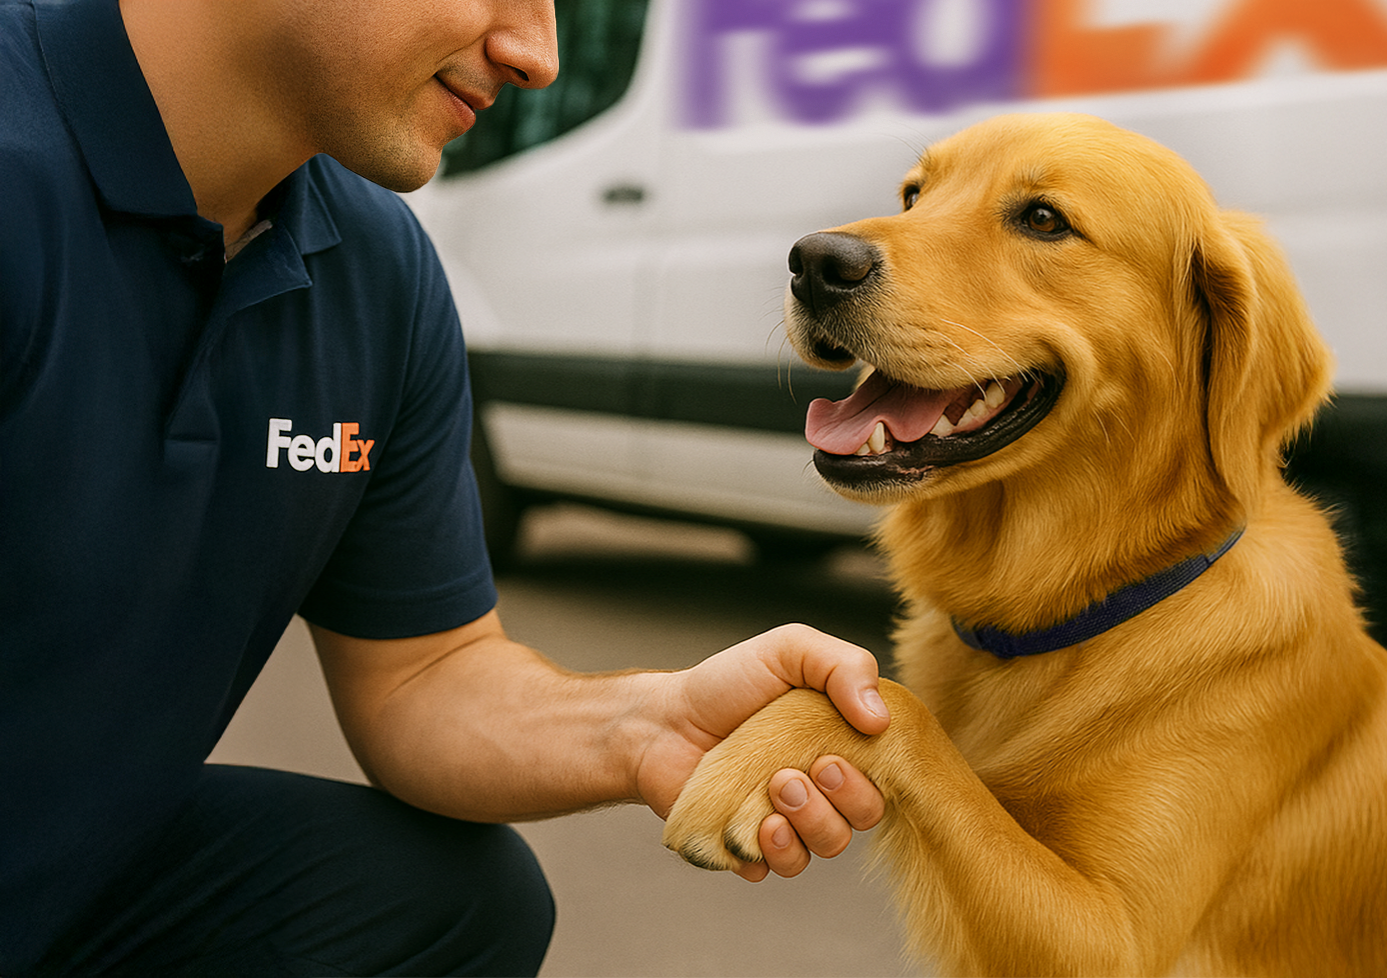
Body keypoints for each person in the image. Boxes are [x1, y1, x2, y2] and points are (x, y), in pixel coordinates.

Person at [0, 0, 888, 973]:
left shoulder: (378, 268)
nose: (536, 55)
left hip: (69, 872)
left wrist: (647, 725)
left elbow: (420, 677)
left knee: (444, 901)